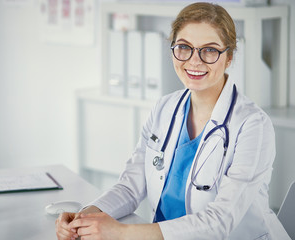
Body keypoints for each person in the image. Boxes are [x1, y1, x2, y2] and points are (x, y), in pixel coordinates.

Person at [56, 2, 290, 240]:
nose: (194, 61)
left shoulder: (252, 125)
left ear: (228, 57)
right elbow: (129, 187)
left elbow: (220, 221)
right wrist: (85, 217)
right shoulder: (164, 109)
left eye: (209, 50)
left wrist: (121, 232)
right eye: (184, 47)